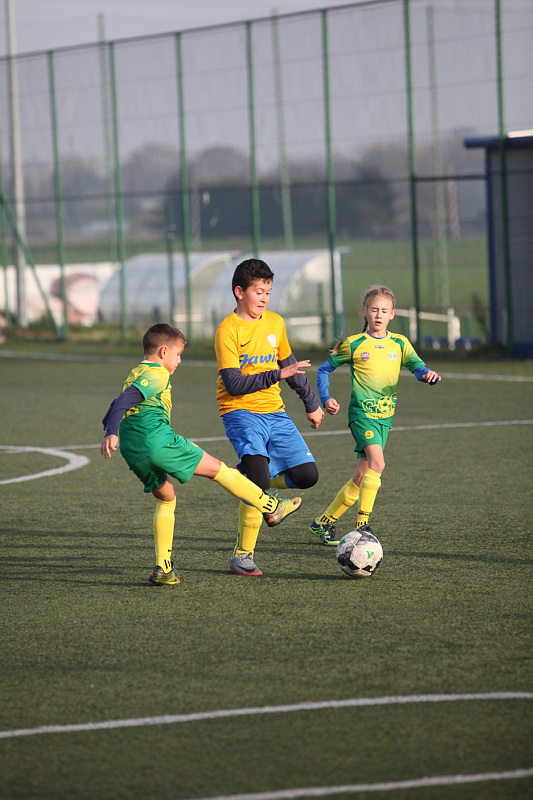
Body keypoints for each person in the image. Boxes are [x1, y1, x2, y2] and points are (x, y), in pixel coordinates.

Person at [100, 323, 302, 586]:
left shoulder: (136, 371)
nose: (179, 361)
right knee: (220, 470)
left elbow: (117, 402)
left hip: (133, 450)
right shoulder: (157, 373)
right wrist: (110, 431)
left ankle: (164, 568)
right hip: (157, 440)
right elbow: (126, 399)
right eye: (178, 354)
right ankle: (272, 507)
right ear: (163, 351)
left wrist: (108, 425)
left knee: (166, 498)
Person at [214, 258, 324, 576]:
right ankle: (242, 556)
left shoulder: (275, 322)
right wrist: (276, 374)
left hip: (274, 412)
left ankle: (247, 476)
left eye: (268, 292)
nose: (264, 298)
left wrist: (311, 403)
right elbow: (234, 385)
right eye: (258, 292)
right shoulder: (227, 330)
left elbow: (291, 367)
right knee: (259, 482)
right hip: (239, 411)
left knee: (307, 476)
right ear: (239, 292)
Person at [309, 285, 441, 544]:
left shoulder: (400, 343)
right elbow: (323, 370)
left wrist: (427, 374)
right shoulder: (355, 344)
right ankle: (362, 524)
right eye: (374, 310)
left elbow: (417, 366)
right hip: (361, 414)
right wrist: (325, 398)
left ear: (392, 314)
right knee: (378, 464)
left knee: (362, 475)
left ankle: (323, 522)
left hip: (385, 417)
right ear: (364, 312)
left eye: (384, 310)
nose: (379, 315)